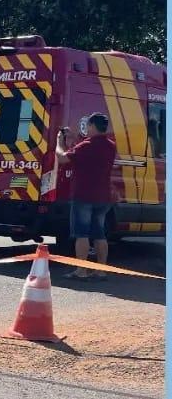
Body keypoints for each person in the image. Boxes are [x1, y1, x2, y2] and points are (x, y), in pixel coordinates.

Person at [56, 112, 117, 279]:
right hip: (103, 196)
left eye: (88, 125)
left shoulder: (86, 146)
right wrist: (73, 139)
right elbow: (83, 152)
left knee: (81, 234)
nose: (86, 128)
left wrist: (59, 143)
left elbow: (62, 159)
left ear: (92, 126)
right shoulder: (111, 146)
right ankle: (101, 270)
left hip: (84, 195)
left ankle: (81, 270)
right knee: (99, 234)